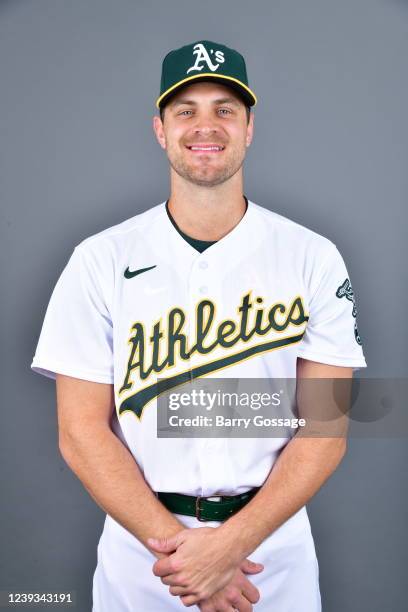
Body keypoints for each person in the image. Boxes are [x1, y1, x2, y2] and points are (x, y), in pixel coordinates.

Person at [31, 40, 367, 611]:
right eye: (185, 110)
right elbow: (81, 432)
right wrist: (182, 552)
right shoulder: (101, 258)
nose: (204, 125)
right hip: (144, 555)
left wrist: (231, 545)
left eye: (224, 109)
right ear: (160, 129)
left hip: (270, 554)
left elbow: (326, 429)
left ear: (249, 127)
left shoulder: (313, 256)